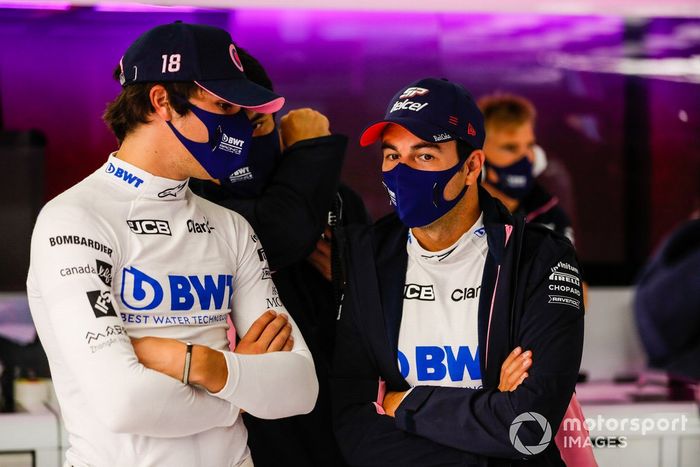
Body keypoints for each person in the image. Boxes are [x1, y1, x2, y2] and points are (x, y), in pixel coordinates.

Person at [26, 22, 317, 467]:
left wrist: (201, 364)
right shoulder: (73, 219)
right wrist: (241, 390)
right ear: (162, 101)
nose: (239, 127)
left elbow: (299, 388)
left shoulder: (230, 226)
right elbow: (124, 402)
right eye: (223, 105)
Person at [331, 78, 585, 465]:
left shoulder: (541, 258)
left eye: (425, 156)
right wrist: (488, 413)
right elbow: (351, 422)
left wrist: (406, 403)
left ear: (471, 167)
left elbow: (527, 428)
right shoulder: (366, 257)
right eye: (392, 155)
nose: (402, 171)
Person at [190, 48, 369, 467]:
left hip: (338, 418)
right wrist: (310, 152)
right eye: (235, 127)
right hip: (244, 424)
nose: (250, 140)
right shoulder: (193, 200)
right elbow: (277, 234)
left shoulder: (336, 198)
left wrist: (353, 282)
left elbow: (382, 307)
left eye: (259, 123)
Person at [478, 93, 575, 245]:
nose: (526, 158)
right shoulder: (456, 216)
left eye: (530, 145)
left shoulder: (551, 217)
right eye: (510, 147)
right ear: (477, 159)